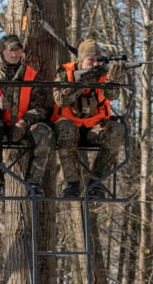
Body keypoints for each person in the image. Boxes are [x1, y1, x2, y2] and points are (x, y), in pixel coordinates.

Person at [0, 35, 54, 197]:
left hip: (24, 127)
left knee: (45, 131)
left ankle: (34, 183)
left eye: (18, 50)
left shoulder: (32, 76)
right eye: (11, 50)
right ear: (2, 52)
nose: (15, 54)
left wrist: (24, 122)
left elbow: (41, 108)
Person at [51, 39, 128, 198]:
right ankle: (72, 184)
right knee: (66, 128)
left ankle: (96, 184)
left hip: (95, 126)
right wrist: (83, 82)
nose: (95, 64)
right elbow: (61, 100)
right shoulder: (65, 73)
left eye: (98, 60)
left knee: (117, 129)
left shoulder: (104, 75)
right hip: (69, 126)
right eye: (90, 60)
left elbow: (112, 96)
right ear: (80, 61)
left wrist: (113, 81)